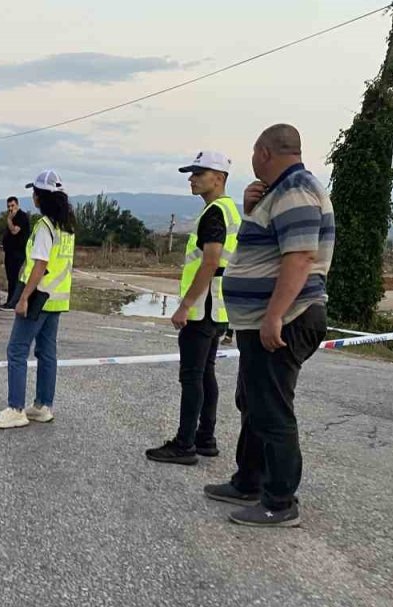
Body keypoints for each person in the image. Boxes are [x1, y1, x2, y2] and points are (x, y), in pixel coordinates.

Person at [204, 124, 334, 528]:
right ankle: (249, 480)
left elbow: (299, 258)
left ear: (264, 152)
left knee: (273, 409)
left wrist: (274, 314)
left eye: (253, 154)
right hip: (266, 318)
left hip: (286, 319)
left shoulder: (295, 190)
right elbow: (267, 247)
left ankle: (279, 501)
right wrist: (252, 210)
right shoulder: (279, 193)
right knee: (254, 402)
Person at [147, 151, 241, 466]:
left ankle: (185, 443)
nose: (192, 179)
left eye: (199, 173)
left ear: (219, 177)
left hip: (202, 308)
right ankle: (205, 437)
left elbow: (211, 261)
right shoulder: (229, 210)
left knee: (192, 376)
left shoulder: (215, 213)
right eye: (192, 173)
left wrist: (185, 305)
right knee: (206, 374)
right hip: (218, 309)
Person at [0, 171, 76, 429]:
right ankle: (43, 406)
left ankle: (16, 409)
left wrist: (23, 297)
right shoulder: (67, 226)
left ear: (41, 196)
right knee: (46, 352)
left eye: (35, 192)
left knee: (16, 350)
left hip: (38, 298)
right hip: (57, 299)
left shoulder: (44, 227)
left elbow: (40, 264)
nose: (33, 196)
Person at [1, 196, 31, 309]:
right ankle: (10, 300)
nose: (10, 208)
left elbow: (14, 231)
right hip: (9, 251)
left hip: (18, 251)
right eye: (8, 206)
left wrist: (9, 220)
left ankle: (14, 301)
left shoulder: (21, 216)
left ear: (17, 205)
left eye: (12, 206)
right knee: (10, 277)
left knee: (14, 276)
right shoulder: (11, 217)